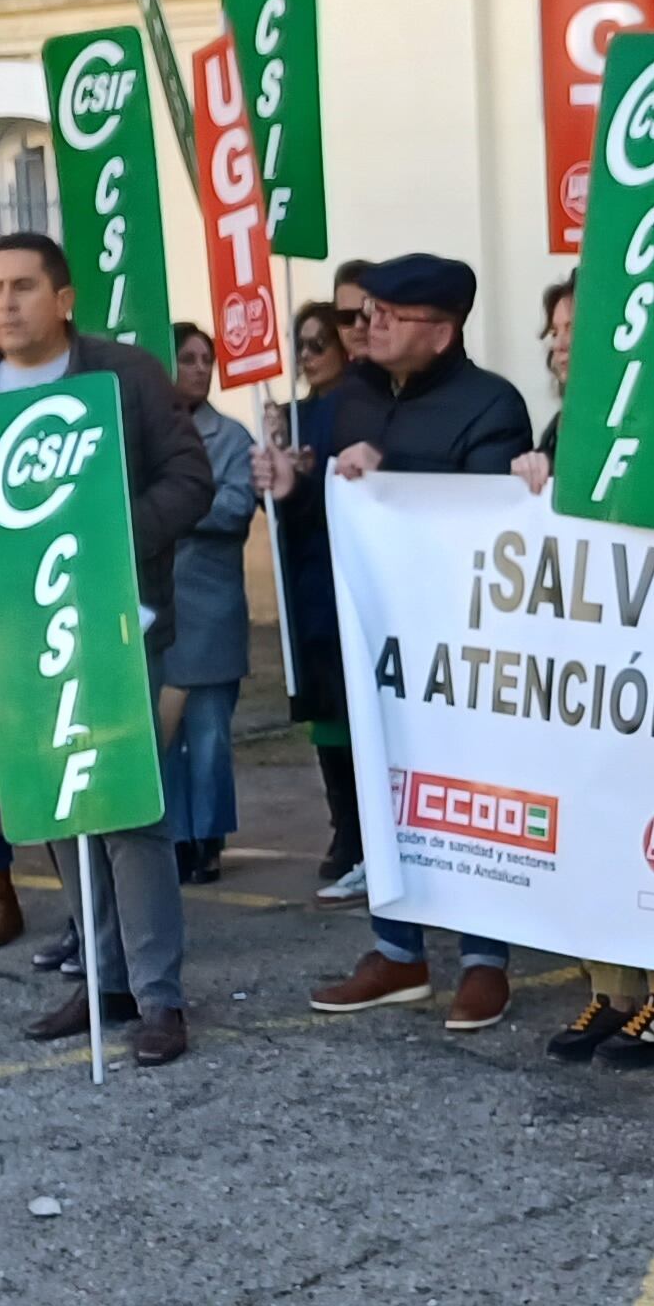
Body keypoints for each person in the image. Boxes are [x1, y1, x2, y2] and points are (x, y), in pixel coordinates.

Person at [0, 233, 212, 1062]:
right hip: (13, 643)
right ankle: (103, 980)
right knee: (58, 810)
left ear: (65, 296)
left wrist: (105, 539)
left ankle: (160, 999)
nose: (6, 303)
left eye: (23, 287)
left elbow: (191, 483)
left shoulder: (123, 377)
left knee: (126, 811)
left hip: (117, 630)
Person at [265, 254, 538, 1030]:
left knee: (474, 795)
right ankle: (397, 950)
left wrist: (390, 473)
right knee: (384, 791)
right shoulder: (348, 400)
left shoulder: (492, 404)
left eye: (388, 314)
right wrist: (293, 494)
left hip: (461, 644)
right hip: (372, 633)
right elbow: (334, 520)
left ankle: (486, 959)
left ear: (444, 330)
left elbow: (488, 520)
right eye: (365, 313)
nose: (368, 325)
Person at [513, 278, 654, 1071]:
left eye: (578, 329)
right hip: (582, 664)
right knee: (590, 827)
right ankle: (613, 991)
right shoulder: (563, 426)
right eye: (555, 329)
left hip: (652, 663)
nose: (562, 343)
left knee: (650, 825)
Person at [276, 298, 369, 903]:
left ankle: (361, 838)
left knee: (352, 706)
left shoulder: (363, 406)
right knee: (323, 709)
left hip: (349, 575)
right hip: (305, 574)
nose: (308, 357)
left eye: (319, 345)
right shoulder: (291, 414)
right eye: (301, 346)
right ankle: (344, 831)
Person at [159, 322, 257, 885]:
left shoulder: (232, 437)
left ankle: (209, 837)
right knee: (164, 734)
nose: (199, 368)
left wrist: (174, 505)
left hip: (213, 604)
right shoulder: (144, 434)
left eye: (206, 358)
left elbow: (236, 508)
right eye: (187, 358)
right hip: (160, 606)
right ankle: (173, 835)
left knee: (211, 732)